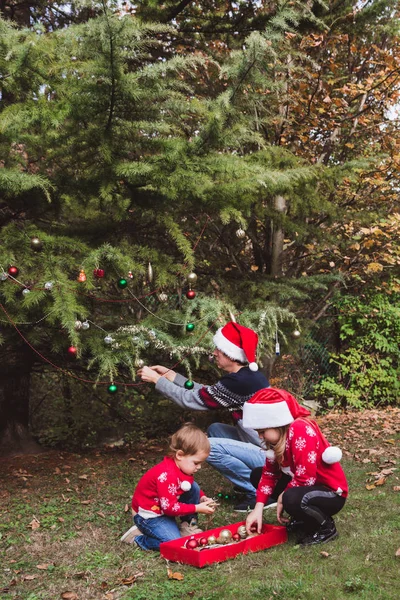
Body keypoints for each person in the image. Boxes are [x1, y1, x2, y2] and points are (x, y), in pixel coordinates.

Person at [138, 321, 278, 511]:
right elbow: (208, 392)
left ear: (232, 354)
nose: (214, 353)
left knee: (206, 447)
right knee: (215, 430)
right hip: (263, 446)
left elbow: (189, 400)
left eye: (218, 349)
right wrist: (172, 376)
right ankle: (254, 478)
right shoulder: (245, 377)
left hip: (275, 456)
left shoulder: (239, 382)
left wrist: (157, 381)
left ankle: (263, 490)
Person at [242, 387, 348, 546]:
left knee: (290, 497)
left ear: (276, 423)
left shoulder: (300, 428)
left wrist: (282, 497)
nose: (260, 436)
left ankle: (326, 528)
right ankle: (304, 520)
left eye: (262, 431)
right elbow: (269, 474)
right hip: (307, 487)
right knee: (257, 475)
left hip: (330, 493)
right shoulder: (276, 440)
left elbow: (306, 478)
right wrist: (258, 508)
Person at [121, 423, 216, 550]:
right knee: (173, 542)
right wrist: (196, 508)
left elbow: (189, 486)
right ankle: (137, 538)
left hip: (164, 507)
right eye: (196, 463)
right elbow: (169, 508)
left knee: (193, 487)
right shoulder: (167, 475)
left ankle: (187, 525)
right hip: (149, 515)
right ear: (180, 455)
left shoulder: (182, 468)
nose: (199, 467)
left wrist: (202, 498)